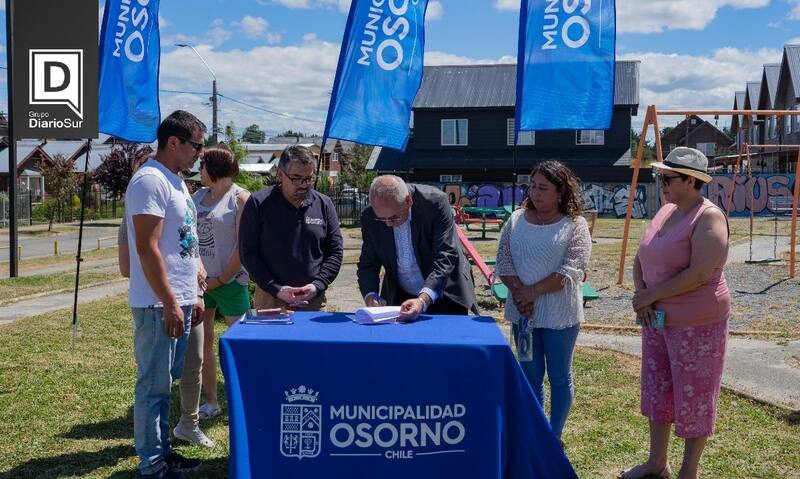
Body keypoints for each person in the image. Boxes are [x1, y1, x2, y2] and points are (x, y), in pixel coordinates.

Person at [619, 147, 730, 479]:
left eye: (667, 178)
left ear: (691, 181)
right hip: (656, 319)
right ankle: (657, 463)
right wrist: (642, 295)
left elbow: (699, 273)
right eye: (660, 177)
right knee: (659, 391)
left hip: (697, 323)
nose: (662, 183)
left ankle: (688, 472)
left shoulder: (708, 217)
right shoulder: (667, 211)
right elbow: (642, 255)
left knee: (695, 395)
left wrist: (650, 295)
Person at [125, 110, 207, 478]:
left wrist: (195, 293)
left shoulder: (176, 181)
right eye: (197, 146)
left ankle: (163, 452)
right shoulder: (149, 181)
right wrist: (172, 302)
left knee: (165, 384)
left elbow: (186, 240)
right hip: (158, 304)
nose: (200, 154)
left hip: (181, 300)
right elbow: (147, 246)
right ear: (173, 142)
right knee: (153, 386)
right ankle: (151, 464)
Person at [495, 160, 591, 442]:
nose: (535, 193)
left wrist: (533, 292)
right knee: (530, 376)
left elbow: (573, 268)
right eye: (533, 186)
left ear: (560, 192)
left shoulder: (575, 224)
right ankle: (535, 434)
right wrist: (520, 293)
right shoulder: (516, 219)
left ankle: (554, 435)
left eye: (543, 188)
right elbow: (503, 260)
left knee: (559, 377)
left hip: (560, 316)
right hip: (523, 314)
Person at [357, 175, 478, 321]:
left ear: (408, 201)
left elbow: (445, 255)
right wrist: (371, 296)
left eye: (394, 217)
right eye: (381, 219)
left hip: (445, 291)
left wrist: (423, 299)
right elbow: (368, 263)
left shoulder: (435, 203)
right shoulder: (369, 216)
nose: (388, 224)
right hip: (401, 295)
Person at [188, 147, 251, 425]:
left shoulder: (240, 198)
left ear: (213, 169)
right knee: (203, 343)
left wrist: (222, 279)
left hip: (231, 282)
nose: (199, 171)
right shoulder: (197, 197)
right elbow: (188, 237)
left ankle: (244, 400)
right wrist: (200, 275)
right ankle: (211, 401)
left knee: (239, 343)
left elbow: (243, 246)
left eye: (202, 166)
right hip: (201, 284)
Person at [239, 145, 343, 310]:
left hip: (312, 299)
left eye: (309, 178)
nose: (303, 185)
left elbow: (335, 251)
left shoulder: (324, 204)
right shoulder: (259, 203)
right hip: (270, 299)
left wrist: (318, 284)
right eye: (296, 178)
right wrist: (275, 288)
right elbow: (248, 253)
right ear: (280, 174)